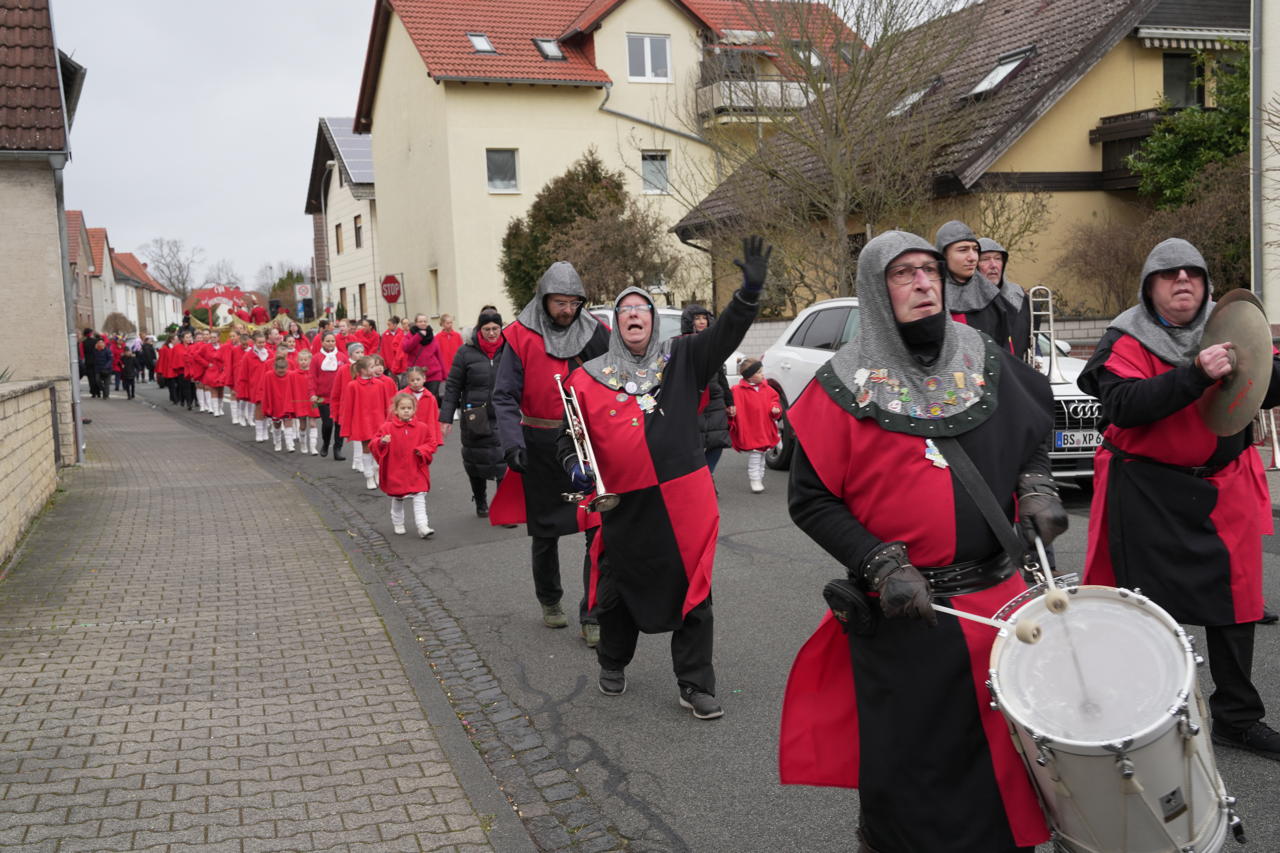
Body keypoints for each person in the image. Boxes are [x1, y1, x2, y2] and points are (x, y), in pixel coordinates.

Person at [779, 230, 1064, 852]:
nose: (921, 282)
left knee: (1012, 762)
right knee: (914, 775)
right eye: (902, 273)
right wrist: (878, 563)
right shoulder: (845, 381)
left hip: (999, 603)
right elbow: (810, 499)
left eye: (929, 270)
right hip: (910, 616)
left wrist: (1038, 486)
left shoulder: (982, 357)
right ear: (876, 291)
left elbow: (1033, 432)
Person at [1080, 237, 1280, 761]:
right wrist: (1194, 375)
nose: (1183, 282)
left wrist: (1256, 366)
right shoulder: (1127, 338)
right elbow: (1123, 405)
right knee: (1142, 607)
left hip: (1222, 484)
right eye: (1170, 275)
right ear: (1150, 287)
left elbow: (1269, 383)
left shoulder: (1231, 325)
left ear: (1207, 283)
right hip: (1146, 490)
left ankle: (1238, 717)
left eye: (1193, 272)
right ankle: (1145, 712)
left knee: (1236, 605)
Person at [555, 237, 770, 719]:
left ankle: (695, 684)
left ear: (653, 318)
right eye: (625, 308)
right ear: (615, 321)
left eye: (643, 308)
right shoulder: (585, 378)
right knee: (615, 594)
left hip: (683, 501)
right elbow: (570, 438)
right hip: (623, 505)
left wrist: (748, 294)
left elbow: (727, 334)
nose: (634, 314)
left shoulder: (682, 358)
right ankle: (613, 660)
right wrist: (575, 464)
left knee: (694, 590)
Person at [492, 261, 610, 643]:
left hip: (585, 445)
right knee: (545, 533)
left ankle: (592, 614)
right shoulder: (520, 337)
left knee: (597, 530)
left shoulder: (596, 334)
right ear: (544, 300)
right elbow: (504, 396)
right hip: (539, 445)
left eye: (574, 303)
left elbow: (614, 382)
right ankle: (550, 599)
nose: (567, 311)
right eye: (560, 302)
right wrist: (512, 442)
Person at [439, 309, 507, 518]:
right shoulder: (465, 352)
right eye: (487, 329)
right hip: (475, 416)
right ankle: (480, 500)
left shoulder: (509, 349)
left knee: (504, 461)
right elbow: (452, 386)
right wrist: (446, 418)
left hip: (504, 414)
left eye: (495, 328)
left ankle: (502, 507)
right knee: (476, 461)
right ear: (479, 329)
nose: (492, 333)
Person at [935, 220, 1030, 359]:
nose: (972, 257)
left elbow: (1005, 353)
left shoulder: (993, 299)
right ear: (943, 255)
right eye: (963, 250)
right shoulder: (928, 295)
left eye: (975, 250)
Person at [373, 392, 440, 538]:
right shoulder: (387, 427)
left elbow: (431, 443)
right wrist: (382, 442)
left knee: (420, 495)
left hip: (416, 468)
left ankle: (423, 525)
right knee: (398, 498)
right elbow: (374, 443)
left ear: (414, 409)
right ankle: (398, 523)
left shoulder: (422, 427)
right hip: (395, 469)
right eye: (402, 408)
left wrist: (422, 450)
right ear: (395, 410)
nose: (406, 411)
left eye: (409, 408)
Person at [680, 305, 732, 473]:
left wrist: (730, 401)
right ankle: (699, 479)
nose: (702, 322)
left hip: (715, 399)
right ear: (690, 321)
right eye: (697, 318)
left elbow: (721, 375)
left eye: (704, 318)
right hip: (693, 400)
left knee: (717, 442)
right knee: (694, 444)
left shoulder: (714, 343)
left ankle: (707, 476)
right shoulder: (683, 343)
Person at [340, 355, 397, 489]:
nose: (375, 369)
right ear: (363, 370)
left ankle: (377, 471)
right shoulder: (352, 385)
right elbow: (348, 407)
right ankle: (369, 476)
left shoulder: (380, 384)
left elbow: (386, 405)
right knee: (366, 449)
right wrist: (347, 426)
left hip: (379, 421)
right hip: (362, 422)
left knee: (379, 448)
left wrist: (389, 422)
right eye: (372, 367)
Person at [728, 357, 781, 493]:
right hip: (751, 428)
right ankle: (755, 479)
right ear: (749, 377)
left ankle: (759, 477)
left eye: (762, 371)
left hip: (765, 427)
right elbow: (731, 404)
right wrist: (730, 411)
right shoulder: (737, 391)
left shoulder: (768, 389)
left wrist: (775, 409)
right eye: (758, 372)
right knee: (756, 454)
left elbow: (774, 402)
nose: (762, 374)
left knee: (762, 454)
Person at [310, 332, 348, 457]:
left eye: (332, 341)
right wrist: (313, 393)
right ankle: (326, 444)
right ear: (322, 342)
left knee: (339, 424)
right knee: (327, 423)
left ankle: (337, 449)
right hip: (322, 397)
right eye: (327, 341)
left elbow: (348, 375)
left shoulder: (342, 357)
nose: (330, 343)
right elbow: (312, 378)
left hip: (340, 397)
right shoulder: (316, 358)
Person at [402, 314, 445, 401]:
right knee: (416, 400)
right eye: (420, 321)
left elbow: (438, 355)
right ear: (416, 323)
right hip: (416, 375)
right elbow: (406, 348)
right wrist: (418, 336)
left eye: (425, 321)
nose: (423, 323)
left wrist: (444, 374)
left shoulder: (432, 336)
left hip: (433, 374)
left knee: (431, 399)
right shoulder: (409, 335)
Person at [436, 313, 464, 378]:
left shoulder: (457, 335)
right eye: (447, 323)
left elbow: (462, 351)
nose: (450, 325)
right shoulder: (438, 337)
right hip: (444, 367)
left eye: (451, 323)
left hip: (456, 366)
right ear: (442, 324)